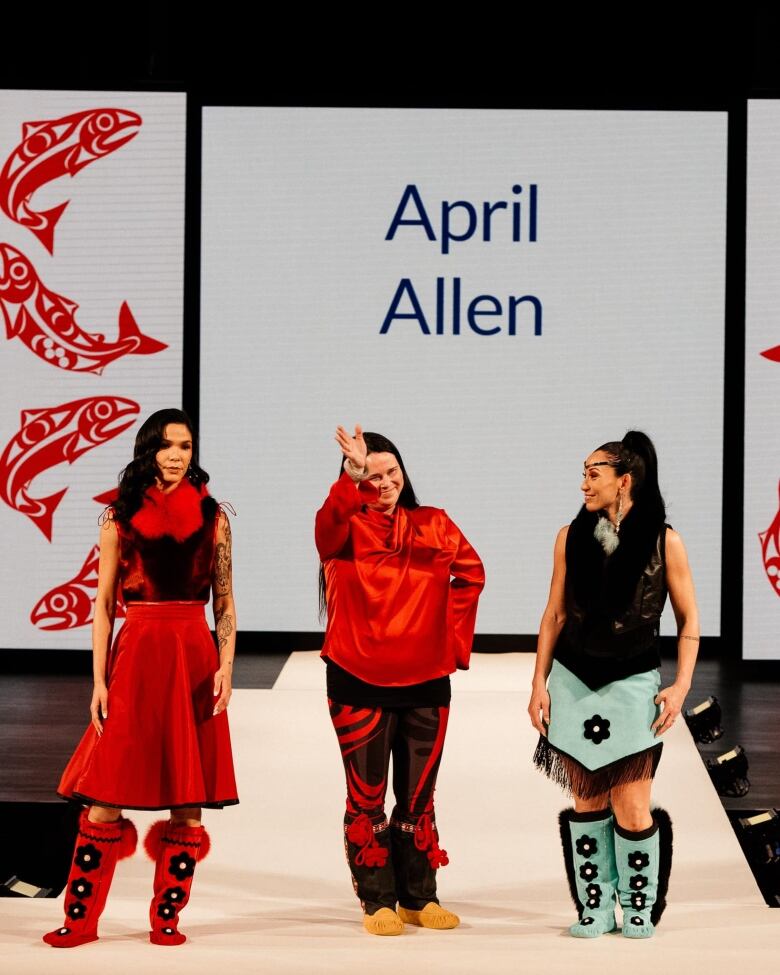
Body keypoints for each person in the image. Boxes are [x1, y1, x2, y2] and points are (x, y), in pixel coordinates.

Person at [44, 408, 238, 948]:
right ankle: (80, 920)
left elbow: (224, 599)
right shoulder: (118, 516)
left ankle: (167, 920)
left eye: (186, 445)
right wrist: (98, 680)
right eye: (168, 445)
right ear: (149, 449)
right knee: (106, 789)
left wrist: (226, 665)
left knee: (188, 792)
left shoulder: (214, 516)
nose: (178, 454)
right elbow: (103, 603)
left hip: (193, 653)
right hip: (136, 653)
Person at [529, 431, 699, 940]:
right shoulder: (570, 536)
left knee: (631, 803)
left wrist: (682, 684)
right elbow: (555, 614)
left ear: (624, 480)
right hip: (574, 679)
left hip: (632, 681)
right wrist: (539, 682)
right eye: (583, 471)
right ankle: (595, 908)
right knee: (586, 801)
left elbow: (689, 621)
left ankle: (640, 905)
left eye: (594, 472)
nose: (584, 481)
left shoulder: (664, 540)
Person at [316, 425, 484, 936]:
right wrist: (352, 474)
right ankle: (377, 901)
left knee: (418, 800)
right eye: (372, 475)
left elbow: (472, 574)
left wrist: (446, 641)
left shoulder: (434, 523)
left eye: (392, 472)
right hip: (356, 678)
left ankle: (419, 896)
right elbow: (326, 527)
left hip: (426, 682)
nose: (384, 483)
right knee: (366, 798)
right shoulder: (344, 528)